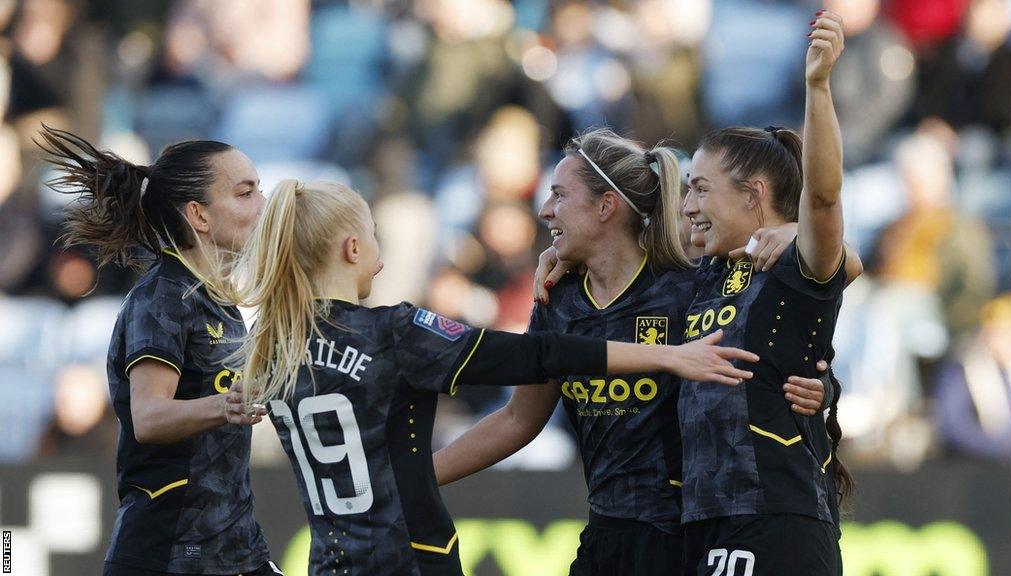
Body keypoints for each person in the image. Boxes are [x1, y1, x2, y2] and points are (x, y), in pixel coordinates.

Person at [227, 179, 760, 576]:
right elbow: (536, 356)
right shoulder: (392, 331)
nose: (382, 256)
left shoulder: (272, 351)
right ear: (351, 248)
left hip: (330, 561)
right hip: (411, 558)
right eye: (373, 235)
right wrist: (665, 357)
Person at [431, 129, 835, 576]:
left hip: (683, 537)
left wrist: (826, 387)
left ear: (606, 206)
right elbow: (517, 420)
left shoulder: (688, 288)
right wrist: (418, 478)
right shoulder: (557, 302)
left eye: (560, 196)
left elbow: (796, 317)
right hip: (605, 533)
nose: (545, 211)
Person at [37, 126, 280, 576]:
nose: (262, 207)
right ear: (199, 216)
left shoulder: (215, 298)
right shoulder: (164, 297)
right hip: (169, 552)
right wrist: (227, 405)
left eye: (260, 191)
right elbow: (149, 418)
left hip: (232, 549)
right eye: (246, 194)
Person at [678, 11, 851, 575]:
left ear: (754, 194)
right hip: (704, 525)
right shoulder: (697, 275)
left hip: (781, 523)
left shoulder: (795, 272)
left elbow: (823, 201)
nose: (688, 206)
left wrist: (818, 86)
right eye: (685, 190)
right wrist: (557, 254)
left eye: (701, 189)